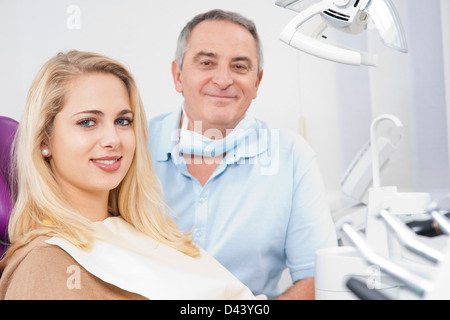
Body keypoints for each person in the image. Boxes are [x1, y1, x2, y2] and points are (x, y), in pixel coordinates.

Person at [0, 50, 256, 300]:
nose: (113, 139)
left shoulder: (155, 235)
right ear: (44, 139)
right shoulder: (45, 261)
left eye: (123, 121)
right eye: (87, 122)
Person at [148, 9, 338, 300]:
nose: (223, 80)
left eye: (239, 66)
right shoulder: (134, 147)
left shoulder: (291, 157)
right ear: (178, 76)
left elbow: (318, 277)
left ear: (257, 82)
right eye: (207, 62)